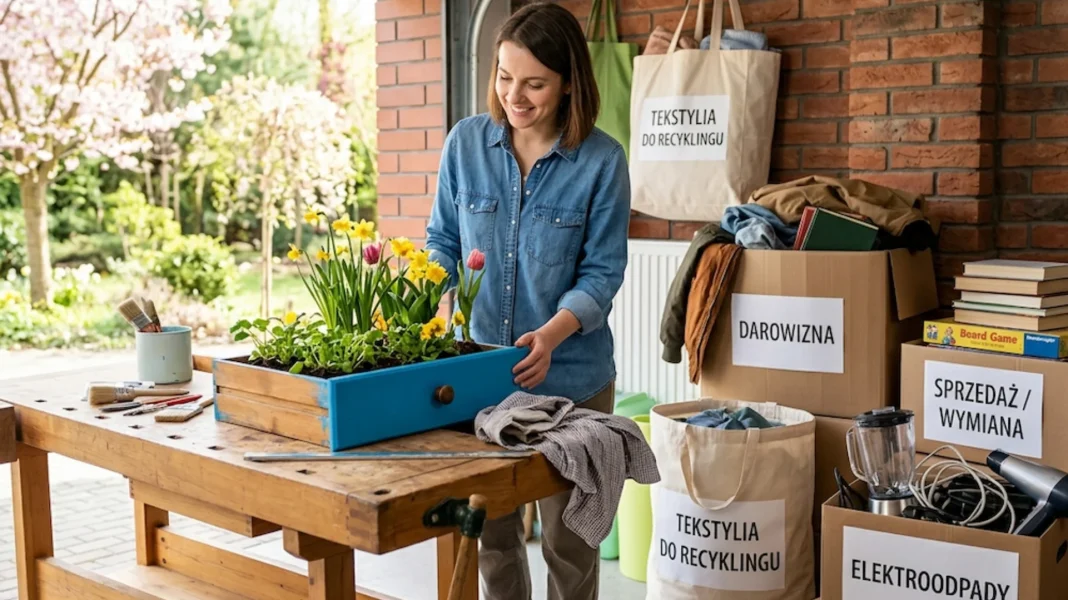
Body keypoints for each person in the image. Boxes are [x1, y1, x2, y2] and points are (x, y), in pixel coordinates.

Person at [424, 3, 631, 599]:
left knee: (570, 545)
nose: (515, 96)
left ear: (569, 82)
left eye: (535, 83)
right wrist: (442, 300)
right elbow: (442, 240)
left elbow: (601, 273)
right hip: (484, 375)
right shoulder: (466, 144)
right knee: (493, 534)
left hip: (573, 380)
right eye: (504, 76)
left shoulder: (602, 162)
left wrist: (553, 333)